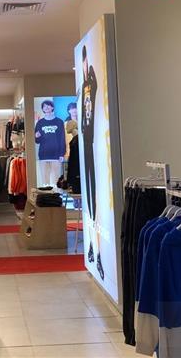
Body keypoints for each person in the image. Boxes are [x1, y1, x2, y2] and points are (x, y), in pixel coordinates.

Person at [81, 45, 101, 277]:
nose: (84, 65)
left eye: (85, 61)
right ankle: (92, 246)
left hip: (91, 140)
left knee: (93, 189)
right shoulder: (85, 84)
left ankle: (95, 245)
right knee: (88, 192)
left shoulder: (91, 80)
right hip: (85, 140)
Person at [35, 100, 66, 186]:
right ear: (42, 109)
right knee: (45, 182)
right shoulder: (40, 123)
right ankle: (46, 194)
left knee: (56, 181)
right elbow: (37, 141)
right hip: (43, 154)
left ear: (52, 107)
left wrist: (62, 154)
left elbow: (62, 138)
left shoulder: (59, 122)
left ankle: (57, 194)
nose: (46, 107)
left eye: (48, 105)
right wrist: (37, 136)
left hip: (56, 155)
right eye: (44, 106)